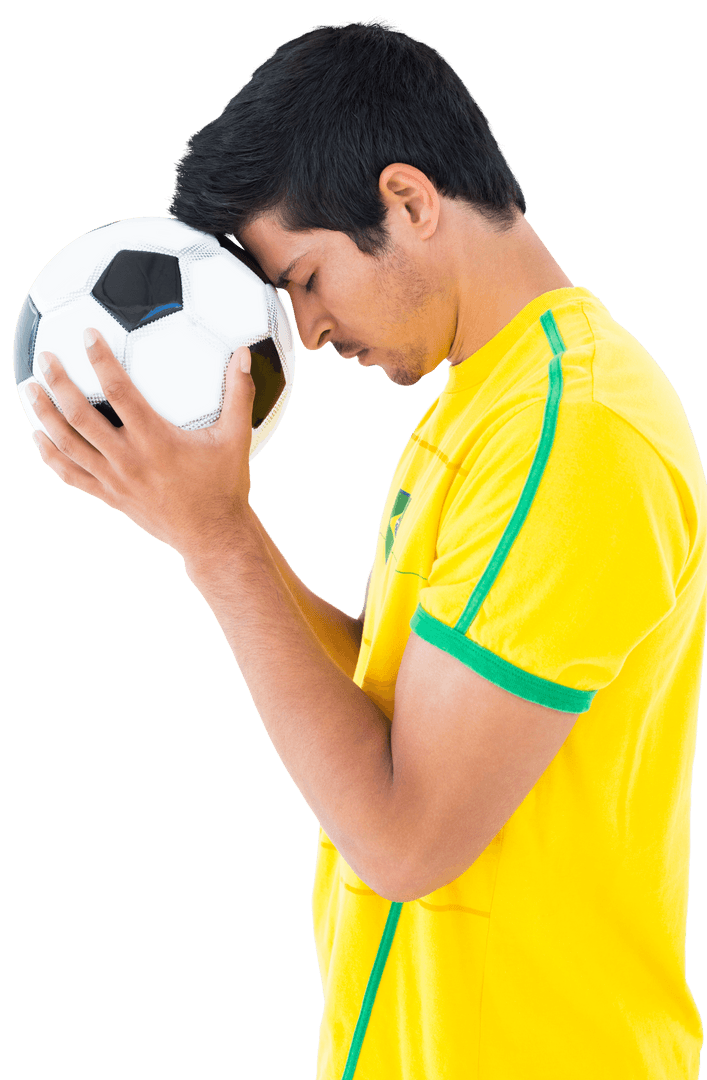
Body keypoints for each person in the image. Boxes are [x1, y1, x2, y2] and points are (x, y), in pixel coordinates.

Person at [29, 18, 704, 1080]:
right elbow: (398, 704)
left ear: (408, 200)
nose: (304, 332)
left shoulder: (572, 436)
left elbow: (403, 841)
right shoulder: (488, 406)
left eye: (302, 279)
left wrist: (219, 550)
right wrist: (205, 522)